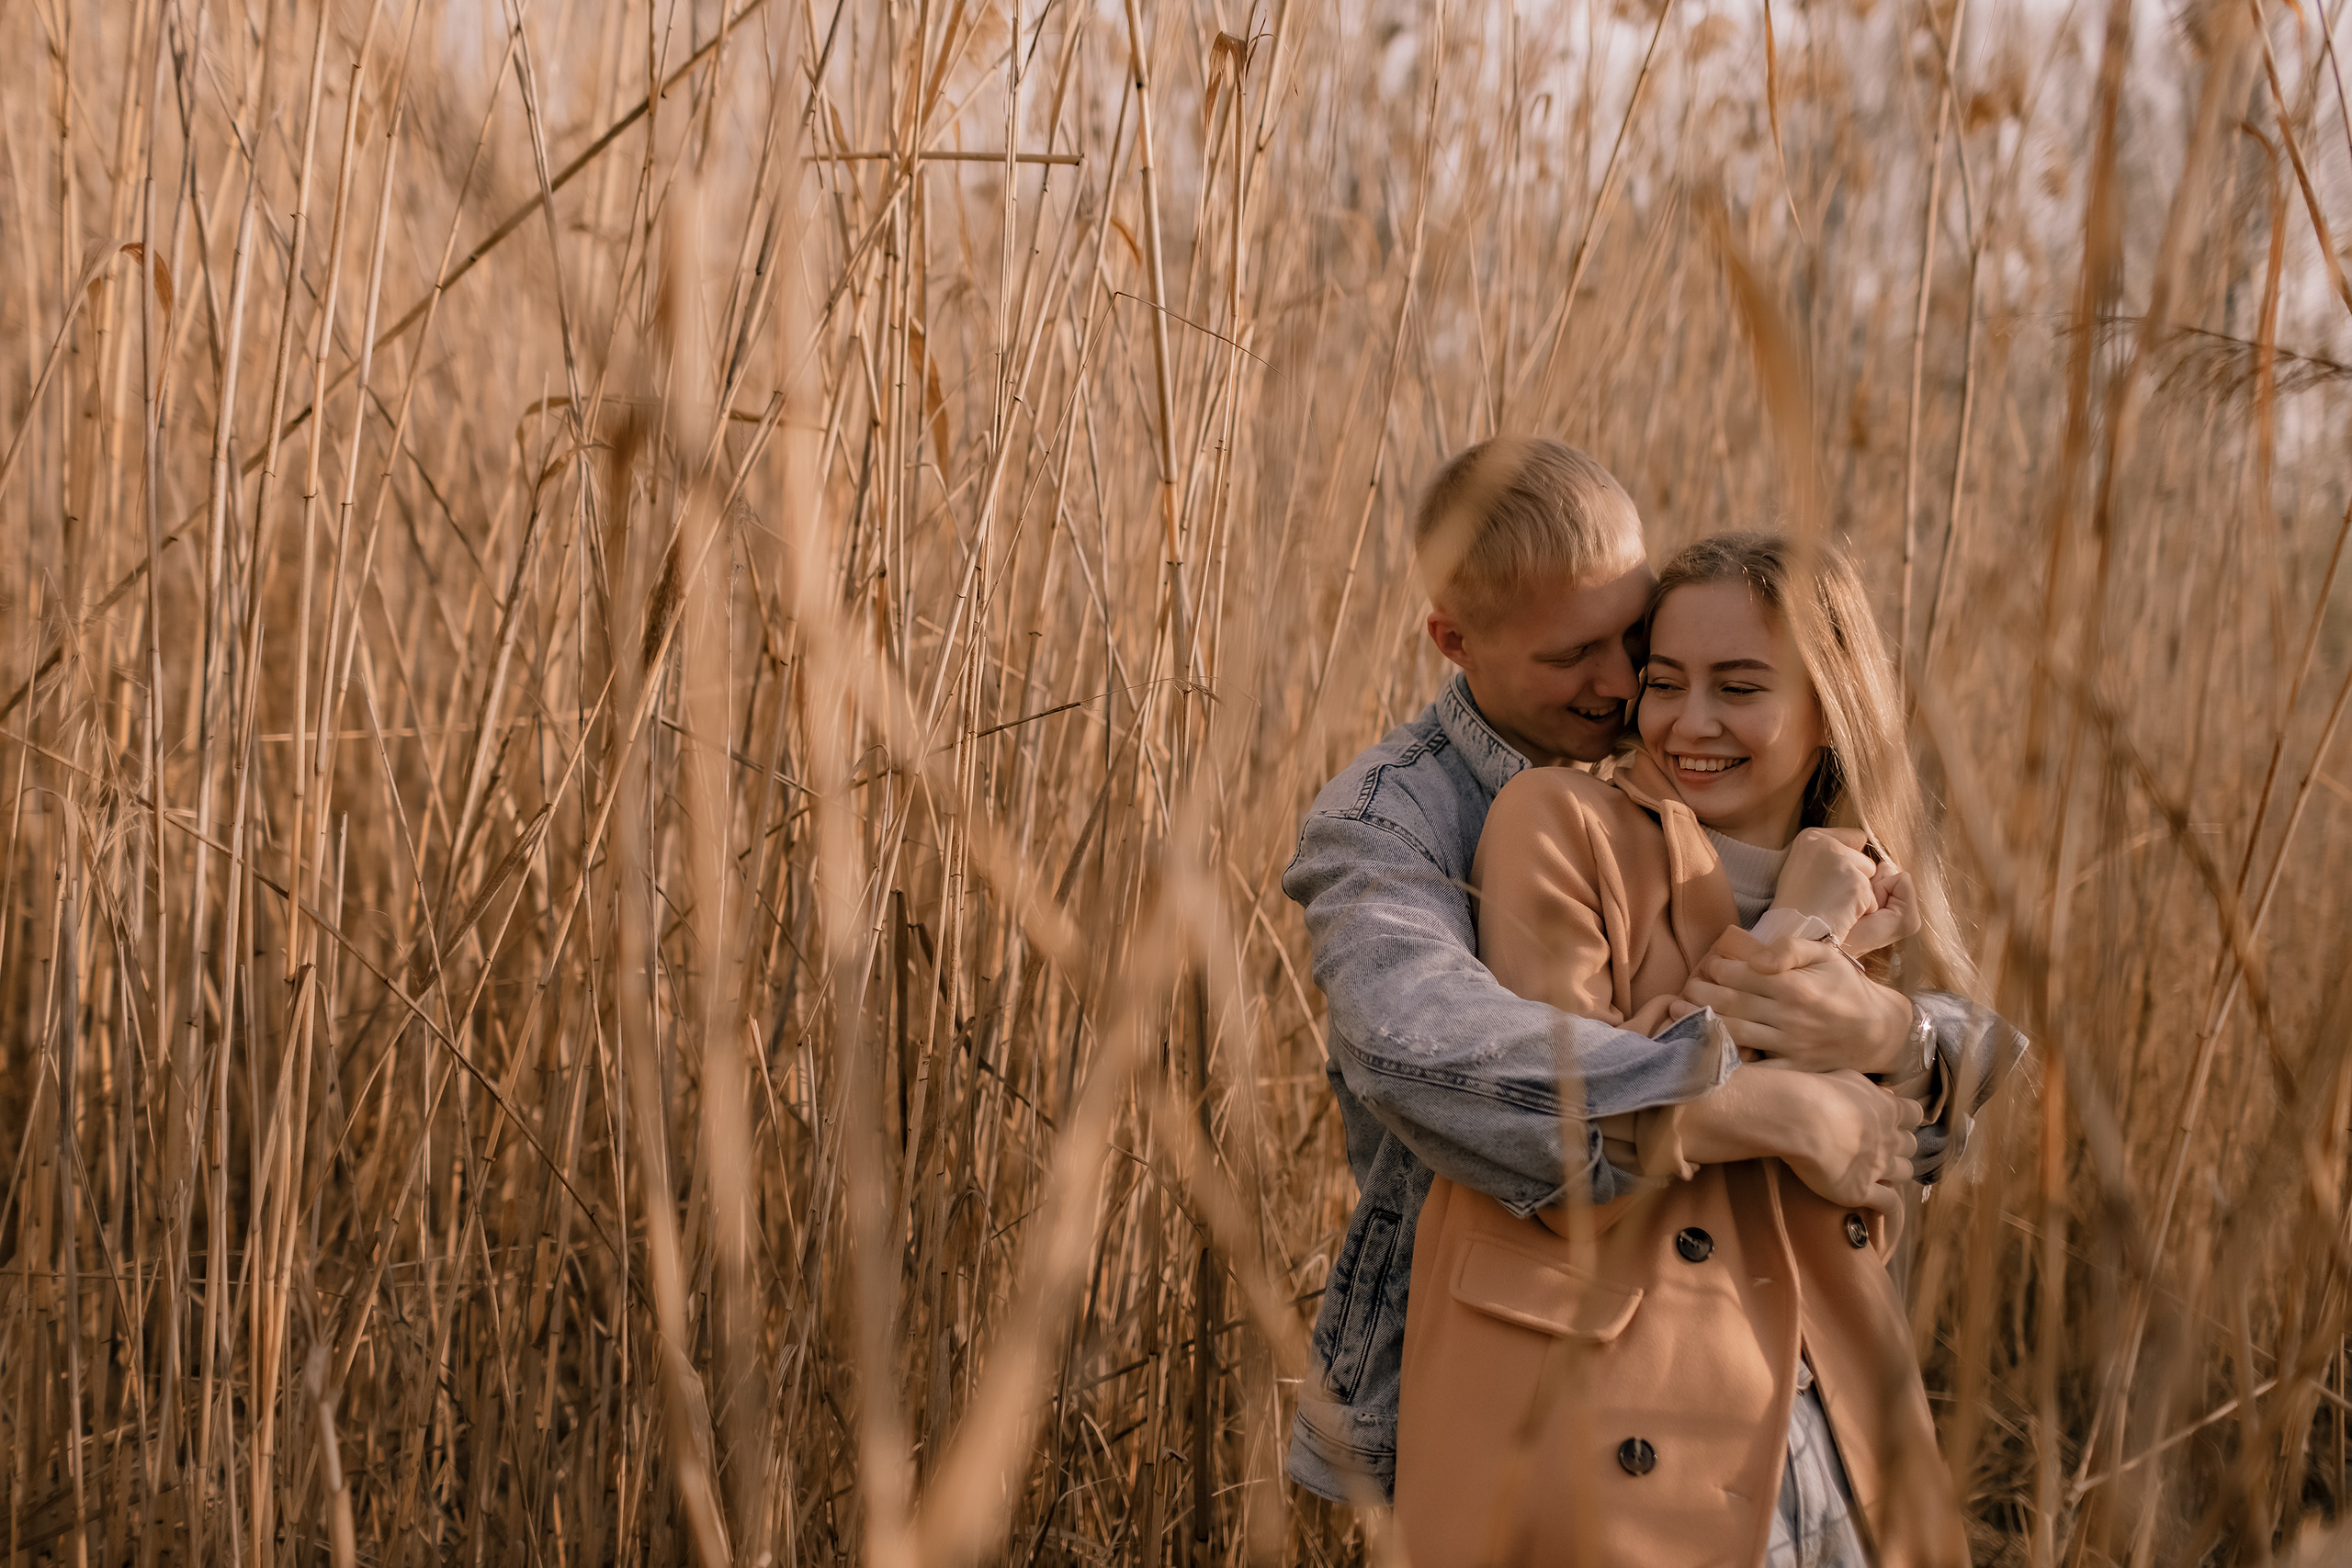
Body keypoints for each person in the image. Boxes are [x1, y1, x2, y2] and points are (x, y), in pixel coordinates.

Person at [1281, 439, 2019, 1525]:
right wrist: (1775, 1099)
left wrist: (1895, 1032)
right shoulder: (1393, 820)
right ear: (1454, 641)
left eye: (1636, 638)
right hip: (1533, 1358)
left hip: (1802, 1384)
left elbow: (1933, 1126)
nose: (1628, 688)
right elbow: (1425, 1048)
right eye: (1585, 655)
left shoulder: (1794, 831)